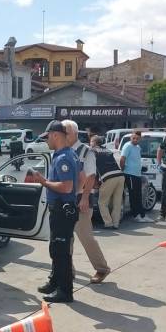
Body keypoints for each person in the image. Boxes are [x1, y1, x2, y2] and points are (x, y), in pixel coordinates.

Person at [29, 120, 79, 303]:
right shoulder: (68, 154)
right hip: (63, 208)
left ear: (55, 135)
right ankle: (55, 282)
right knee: (56, 248)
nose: (46, 141)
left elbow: (67, 187)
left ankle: (65, 291)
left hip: (62, 209)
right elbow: (78, 180)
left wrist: (43, 181)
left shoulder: (64, 157)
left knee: (61, 250)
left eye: (47, 137)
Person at [66, 121, 111, 284]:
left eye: (66, 133)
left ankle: (102, 269)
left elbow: (91, 176)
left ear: (74, 133)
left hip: (81, 200)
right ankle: (68, 271)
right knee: (66, 238)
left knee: (86, 237)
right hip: (66, 200)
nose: (63, 136)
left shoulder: (86, 151)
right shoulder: (64, 151)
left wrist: (84, 198)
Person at [91, 136, 125, 230]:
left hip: (109, 177)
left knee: (102, 202)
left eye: (91, 141)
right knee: (117, 202)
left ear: (94, 142)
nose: (90, 143)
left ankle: (108, 223)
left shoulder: (93, 151)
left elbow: (93, 168)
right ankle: (116, 223)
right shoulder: (108, 150)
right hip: (120, 176)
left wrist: (96, 182)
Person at [120, 131, 153, 223]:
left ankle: (142, 215)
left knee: (138, 195)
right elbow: (122, 159)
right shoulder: (127, 146)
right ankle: (136, 215)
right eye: (133, 138)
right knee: (133, 195)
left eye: (137, 138)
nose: (135, 140)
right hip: (129, 174)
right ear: (131, 137)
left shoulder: (138, 147)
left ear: (140, 139)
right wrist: (123, 171)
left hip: (137, 174)